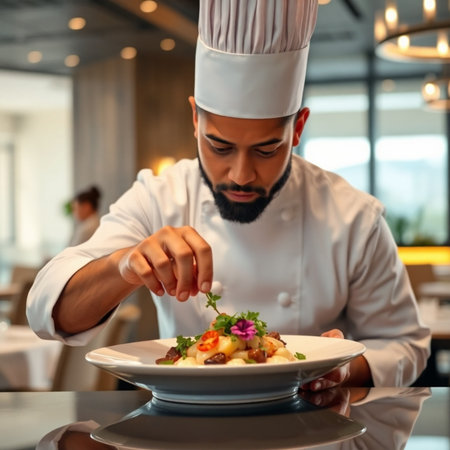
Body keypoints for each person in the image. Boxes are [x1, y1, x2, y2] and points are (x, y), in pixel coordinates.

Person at [27, 0, 430, 389]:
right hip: (181, 426)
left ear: (299, 128)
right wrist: (124, 265)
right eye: (219, 147)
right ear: (194, 120)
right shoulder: (158, 197)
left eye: (266, 149)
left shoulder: (353, 215)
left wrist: (342, 370)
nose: (240, 174)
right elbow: (47, 310)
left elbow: (404, 343)